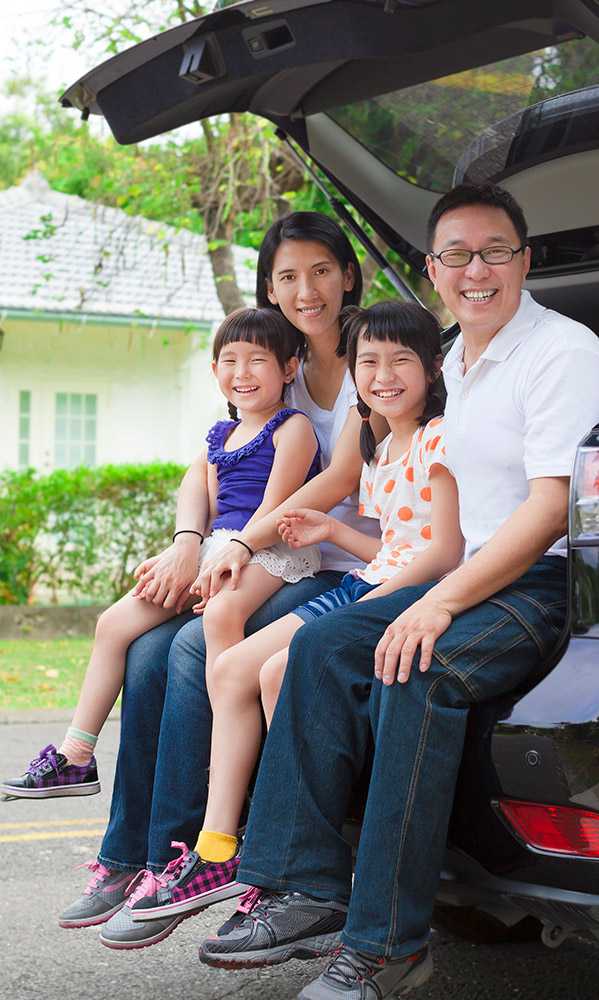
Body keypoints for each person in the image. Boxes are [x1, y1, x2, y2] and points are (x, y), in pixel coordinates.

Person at [197, 183, 599, 1000]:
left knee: (410, 666)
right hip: (455, 571)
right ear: (432, 268)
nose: (474, 269)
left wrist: (440, 599)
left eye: (493, 251)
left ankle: (386, 948)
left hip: (533, 580)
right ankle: (303, 886)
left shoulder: (563, 351)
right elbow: (391, 469)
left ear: (523, 260)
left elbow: (548, 508)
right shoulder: (451, 357)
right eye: (456, 254)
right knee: (316, 645)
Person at [54, 212, 382, 951]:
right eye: (288, 276)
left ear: (348, 275)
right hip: (256, 558)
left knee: (191, 652)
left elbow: (337, 478)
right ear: (269, 286)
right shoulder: (269, 360)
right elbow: (205, 470)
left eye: (321, 271)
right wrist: (187, 542)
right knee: (141, 651)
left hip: (338, 562)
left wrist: (238, 540)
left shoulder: (372, 356)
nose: (307, 289)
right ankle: (126, 857)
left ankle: (186, 855)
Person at [124, 300, 463, 924]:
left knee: (278, 671)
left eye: (400, 361)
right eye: (368, 362)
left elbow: (444, 551)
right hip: (368, 579)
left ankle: (297, 846)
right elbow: (394, 545)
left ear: (434, 368)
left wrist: (374, 588)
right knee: (230, 671)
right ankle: (220, 847)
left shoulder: (439, 439)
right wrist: (325, 534)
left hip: (384, 593)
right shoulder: (380, 447)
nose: (383, 375)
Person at [1, 307, 322, 803]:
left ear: (288, 368)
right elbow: (210, 510)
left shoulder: (292, 428)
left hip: (271, 548)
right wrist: (186, 555)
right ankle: (76, 757)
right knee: (114, 623)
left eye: (257, 360)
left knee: (221, 614)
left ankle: (227, 751)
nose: (242, 373)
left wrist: (225, 556)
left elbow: (274, 509)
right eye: (229, 360)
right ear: (215, 370)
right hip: (221, 546)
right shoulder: (219, 435)